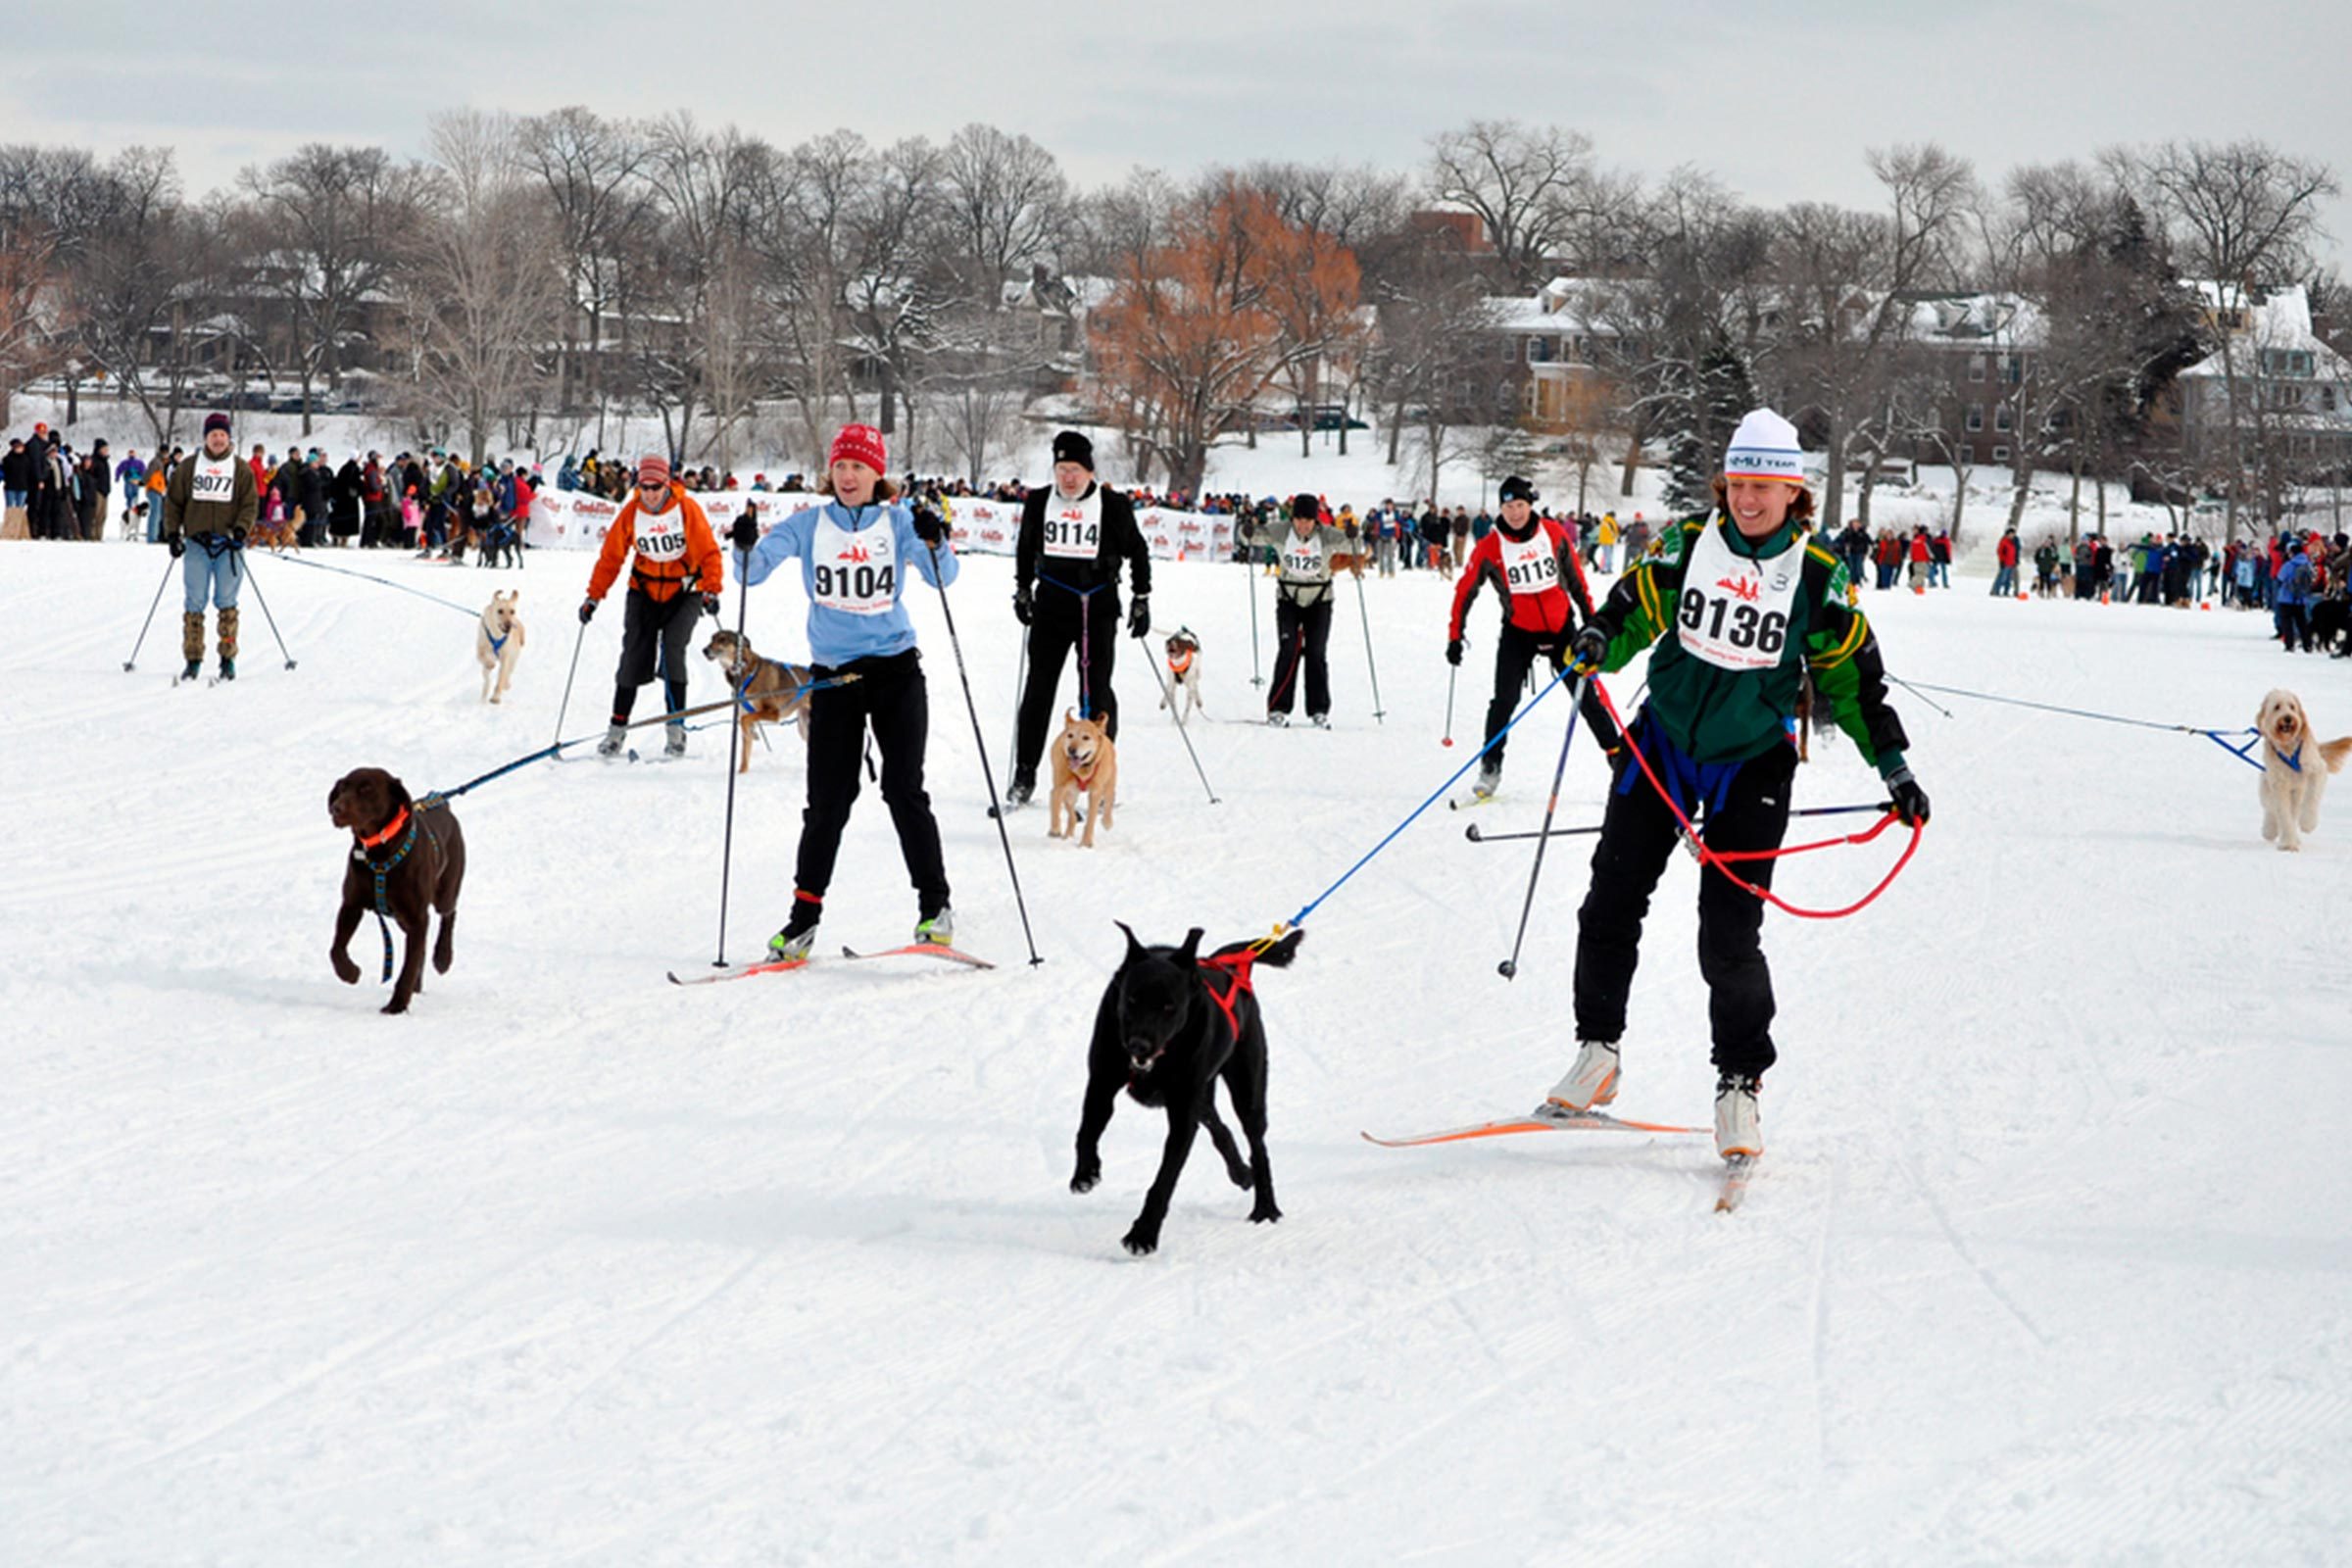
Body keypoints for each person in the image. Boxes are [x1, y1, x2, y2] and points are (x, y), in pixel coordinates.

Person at [1549, 409, 1930, 1161]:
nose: (1747, 500)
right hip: (1663, 744)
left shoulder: (1818, 576)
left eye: (1764, 487)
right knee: (1609, 902)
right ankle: (1599, 1052)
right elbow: (1629, 611)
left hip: (1752, 762)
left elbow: (1854, 685)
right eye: (1737, 485)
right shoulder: (1690, 544)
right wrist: (1596, 641)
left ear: (1794, 493)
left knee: (1728, 938)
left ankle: (1739, 1086)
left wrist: (1895, 768)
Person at [726, 423, 960, 958]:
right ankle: (803, 920)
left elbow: (942, 576)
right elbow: (753, 572)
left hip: (896, 674)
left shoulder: (898, 522)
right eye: (840, 466)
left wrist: (934, 535)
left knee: (904, 790)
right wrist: (743, 545)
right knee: (827, 803)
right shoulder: (809, 523)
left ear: (877, 474)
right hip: (832, 679)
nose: (848, 476)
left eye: (859, 467)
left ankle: (935, 907)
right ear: (829, 472)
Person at [1005, 430, 1152, 808]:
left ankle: (1102, 777)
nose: (1068, 477)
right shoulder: (1039, 501)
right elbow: (1025, 549)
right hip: (1052, 606)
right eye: (1061, 469)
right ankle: (1025, 774)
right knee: (1038, 690)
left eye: (1075, 469)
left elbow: (1138, 551)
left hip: (1097, 607)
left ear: (1089, 471)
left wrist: (1141, 597)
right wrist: (1023, 589)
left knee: (1097, 693)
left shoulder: (1113, 505)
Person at [1443, 475, 1614, 799]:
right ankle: (1490, 767)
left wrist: (1592, 622)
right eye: (1508, 507)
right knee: (1503, 701)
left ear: (1530, 505)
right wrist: (1455, 636)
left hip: (1562, 628)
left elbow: (1577, 580)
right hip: (1518, 632)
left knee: (1586, 696)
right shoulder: (1490, 547)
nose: (1515, 513)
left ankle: (1616, 755)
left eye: (1520, 505)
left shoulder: (1552, 533)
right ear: (1501, 509)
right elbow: (1465, 591)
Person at [580, 455, 724, 759]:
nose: (650, 493)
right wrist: (594, 596)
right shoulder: (632, 513)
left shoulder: (686, 509)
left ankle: (676, 733)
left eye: (656, 487)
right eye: (644, 487)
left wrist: (711, 589)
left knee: (673, 649)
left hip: (685, 591)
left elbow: (709, 552)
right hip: (643, 590)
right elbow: (611, 558)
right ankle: (616, 732)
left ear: (667, 483)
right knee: (633, 653)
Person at [162, 413, 261, 681]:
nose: (218, 439)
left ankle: (227, 658)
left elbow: (250, 504)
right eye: (213, 435)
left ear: (229, 438)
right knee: (194, 601)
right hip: (197, 544)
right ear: (206, 437)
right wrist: (172, 534)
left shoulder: (240, 468)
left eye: (222, 435)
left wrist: (241, 529)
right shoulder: (189, 467)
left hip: (229, 546)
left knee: (226, 601)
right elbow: (173, 503)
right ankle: (193, 659)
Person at [1253, 493, 1346, 726]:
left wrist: (1354, 536)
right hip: (1289, 599)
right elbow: (1253, 538)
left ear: (1316, 521)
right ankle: (1278, 708)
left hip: (1320, 599)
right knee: (1288, 649)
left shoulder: (1326, 535)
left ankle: (1318, 709)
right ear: (1292, 519)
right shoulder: (1281, 531)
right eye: (1299, 520)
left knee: (1316, 652)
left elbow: (1355, 544)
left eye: (1308, 520)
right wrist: (1248, 531)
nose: (1303, 525)